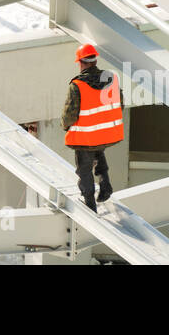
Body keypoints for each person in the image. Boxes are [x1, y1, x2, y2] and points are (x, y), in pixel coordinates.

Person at [61, 43, 124, 211]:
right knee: (98, 151)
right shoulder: (111, 79)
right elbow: (120, 104)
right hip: (104, 133)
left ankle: (89, 202)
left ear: (81, 62)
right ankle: (106, 186)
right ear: (95, 61)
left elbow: (69, 115)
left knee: (84, 168)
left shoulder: (77, 85)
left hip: (86, 136)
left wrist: (64, 126)